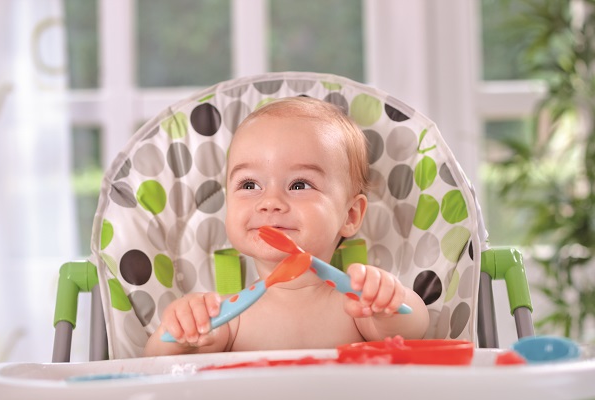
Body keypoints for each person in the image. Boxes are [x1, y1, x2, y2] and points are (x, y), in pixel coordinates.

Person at [144, 97, 429, 356]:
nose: (270, 202)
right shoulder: (228, 316)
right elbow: (157, 365)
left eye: (299, 184)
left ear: (350, 215)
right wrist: (183, 329)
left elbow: (413, 329)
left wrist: (388, 301)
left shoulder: (356, 308)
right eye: (249, 184)